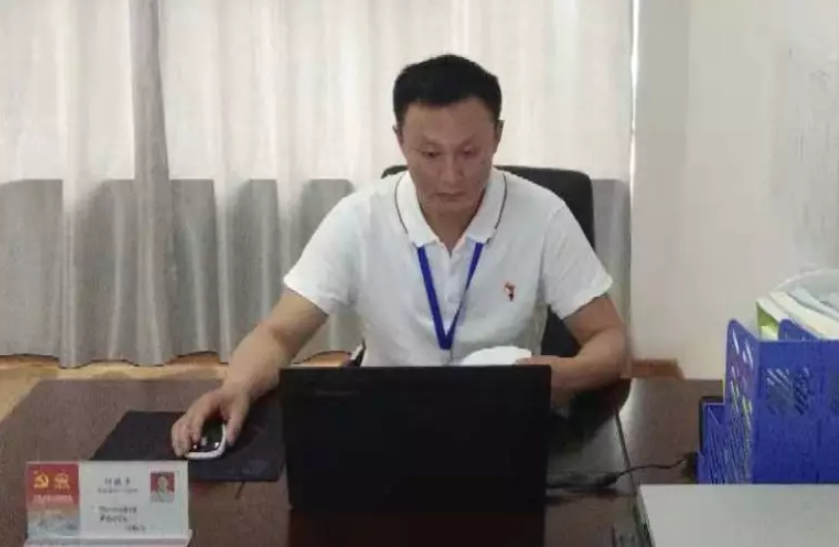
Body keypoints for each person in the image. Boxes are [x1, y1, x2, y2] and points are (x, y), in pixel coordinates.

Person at [171, 54, 628, 456]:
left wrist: (565, 376)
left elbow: (611, 340)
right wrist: (236, 387)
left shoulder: (543, 216)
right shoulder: (359, 218)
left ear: (497, 136)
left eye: (469, 152)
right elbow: (278, 333)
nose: (451, 176)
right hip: (385, 420)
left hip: (502, 424)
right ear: (399, 140)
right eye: (430, 154)